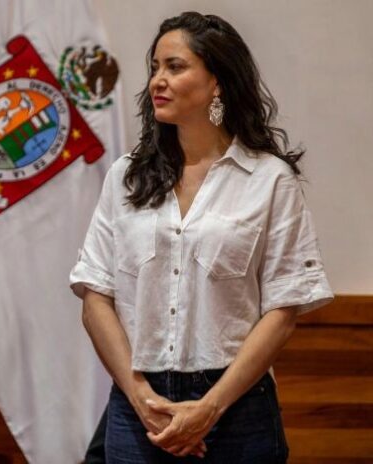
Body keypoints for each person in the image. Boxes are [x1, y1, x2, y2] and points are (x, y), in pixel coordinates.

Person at [70, 11, 334, 463]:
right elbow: (95, 294)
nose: (158, 80)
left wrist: (210, 407)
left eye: (175, 67)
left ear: (217, 83)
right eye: (155, 67)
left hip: (236, 407)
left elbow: (283, 308)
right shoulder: (126, 176)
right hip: (139, 405)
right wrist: (139, 397)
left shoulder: (269, 179)